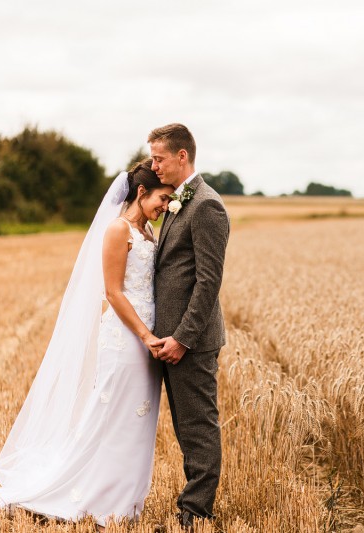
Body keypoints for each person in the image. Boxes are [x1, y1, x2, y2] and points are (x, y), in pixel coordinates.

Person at [0, 161, 175, 529]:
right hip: (127, 338)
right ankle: (87, 494)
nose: (165, 206)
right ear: (141, 193)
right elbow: (112, 292)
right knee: (112, 414)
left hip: (149, 337)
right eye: (162, 198)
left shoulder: (148, 233)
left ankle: (122, 499)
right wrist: (144, 334)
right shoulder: (117, 230)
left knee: (137, 418)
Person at [148, 123, 230, 526]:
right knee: (184, 427)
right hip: (168, 340)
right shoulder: (180, 201)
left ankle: (196, 511)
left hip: (190, 342)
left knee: (198, 426)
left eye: (159, 158)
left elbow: (208, 282)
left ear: (182, 156)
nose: (153, 165)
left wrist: (182, 338)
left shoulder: (206, 205)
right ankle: (193, 505)